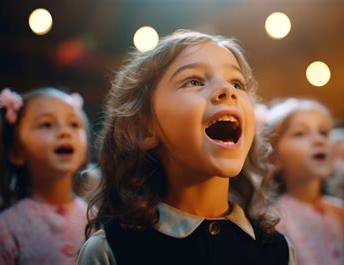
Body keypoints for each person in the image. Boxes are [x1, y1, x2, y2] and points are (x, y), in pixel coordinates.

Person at [77, 30, 295, 265]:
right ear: (144, 128)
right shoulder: (110, 250)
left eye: (237, 83)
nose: (228, 91)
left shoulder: (278, 252)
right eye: (194, 81)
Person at [0, 87, 90, 265]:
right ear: (16, 152)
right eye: (46, 124)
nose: (65, 131)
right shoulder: (3, 229)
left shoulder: (95, 218)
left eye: (74, 124)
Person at [265, 98, 344, 265]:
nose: (319, 140)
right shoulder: (272, 219)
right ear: (274, 157)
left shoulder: (343, 212)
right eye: (300, 133)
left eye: (323, 132)